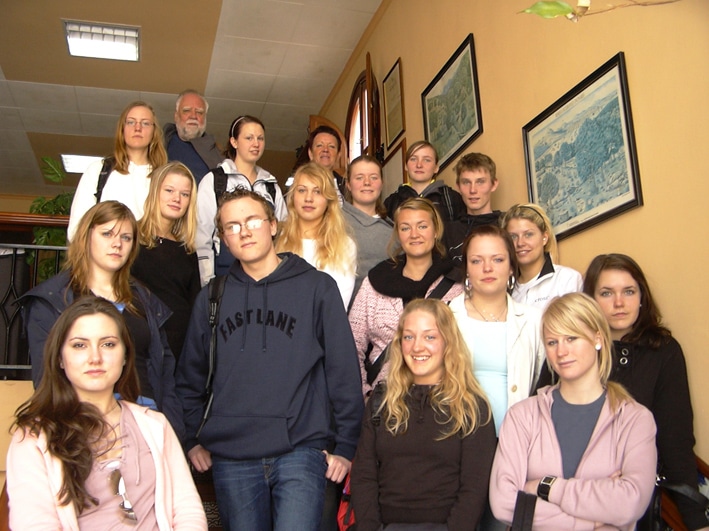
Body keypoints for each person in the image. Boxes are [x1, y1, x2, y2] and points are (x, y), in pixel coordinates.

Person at [176, 188, 364, 531]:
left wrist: (346, 445)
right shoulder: (212, 298)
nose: (243, 231)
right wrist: (193, 439)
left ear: (273, 225)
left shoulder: (316, 288)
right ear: (224, 240)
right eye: (231, 226)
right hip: (231, 456)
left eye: (251, 220)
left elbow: (343, 372)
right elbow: (190, 377)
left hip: (301, 451)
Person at [7, 296, 207, 530]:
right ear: (60, 358)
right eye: (79, 345)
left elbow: (187, 510)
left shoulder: (154, 425)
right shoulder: (34, 437)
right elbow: (35, 524)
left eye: (108, 344)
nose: (95, 357)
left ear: (125, 356)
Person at [489, 292, 657, 530]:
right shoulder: (522, 416)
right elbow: (504, 502)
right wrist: (593, 519)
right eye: (552, 342)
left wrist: (546, 486)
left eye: (571, 338)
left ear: (597, 339)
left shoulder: (635, 419)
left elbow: (631, 502)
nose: (561, 351)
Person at [21, 201, 183, 436]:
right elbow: (46, 379)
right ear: (86, 236)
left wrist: (174, 431)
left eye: (126, 238)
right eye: (107, 233)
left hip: (147, 420)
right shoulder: (54, 299)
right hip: (82, 422)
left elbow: (165, 374)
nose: (117, 243)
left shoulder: (145, 299)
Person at [584, 254, 709, 530]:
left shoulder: (663, 351)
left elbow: (675, 438)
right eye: (606, 293)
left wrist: (696, 520)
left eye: (629, 291)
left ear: (642, 297)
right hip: (576, 498)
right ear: (590, 300)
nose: (619, 303)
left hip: (639, 498)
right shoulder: (569, 347)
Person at [350, 298, 497, 530]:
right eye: (409, 337)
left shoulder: (472, 407)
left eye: (429, 336)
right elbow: (363, 477)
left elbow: (474, 487)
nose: (417, 347)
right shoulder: (381, 402)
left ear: (448, 342)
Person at [349, 197, 463, 398]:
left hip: (441, 399)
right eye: (405, 228)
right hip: (384, 399)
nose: (414, 235)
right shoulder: (375, 282)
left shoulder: (456, 284)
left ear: (436, 231)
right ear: (398, 234)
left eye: (422, 226)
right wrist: (365, 395)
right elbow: (352, 344)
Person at [449, 224, 546, 436]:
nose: (487, 268)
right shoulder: (446, 318)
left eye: (498, 259)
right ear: (466, 268)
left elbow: (542, 387)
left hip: (518, 442)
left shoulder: (534, 320)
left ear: (511, 266)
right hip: (458, 442)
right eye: (477, 260)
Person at [196, 115, 286, 285]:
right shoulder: (215, 181)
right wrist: (208, 284)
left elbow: (283, 235)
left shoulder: (271, 186)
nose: (256, 143)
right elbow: (202, 237)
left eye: (260, 138)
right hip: (225, 274)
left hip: (267, 278)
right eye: (249, 138)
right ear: (234, 142)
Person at [68, 101, 168, 241]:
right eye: (131, 122)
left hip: (149, 256)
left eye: (145, 123)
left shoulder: (164, 177)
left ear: (154, 131)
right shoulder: (99, 170)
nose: (138, 128)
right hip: (105, 256)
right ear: (122, 129)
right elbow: (78, 226)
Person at [132, 162, 201, 362]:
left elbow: (195, 303)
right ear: (155, 192)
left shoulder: (187, 250)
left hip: (179, 347)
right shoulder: (130, 236)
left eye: (185, 194)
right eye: (169, 190)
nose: (176, 198)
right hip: (139, 344)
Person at [276, 162, 357, 308]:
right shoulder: (277, 239)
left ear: (328, 199)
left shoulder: (345, 245)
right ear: (293, 196)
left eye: (317, 191)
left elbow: (336, 306)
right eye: (302, 190)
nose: (309, 198)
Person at [500, 203, 582, 309]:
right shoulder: (504, 289)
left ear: (544, 238)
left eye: (528, 234)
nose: (520, 243)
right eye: (513, 236)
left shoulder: (567, 279)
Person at [342, 155, 393, 301]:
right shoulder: (334, 222)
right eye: (359, 177)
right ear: (349, 185)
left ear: (381, 184)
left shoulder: (394, 227)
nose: (367, 183)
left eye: (373, 177)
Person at [383, 140, 465, 224]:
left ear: (436, 167)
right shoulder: (391, 202)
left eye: (426, 160)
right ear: (406, 166)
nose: (419, 165)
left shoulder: (452, 198)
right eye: (413, 159)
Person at [444, 152, 503, 263]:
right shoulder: (449, 232)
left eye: (480, 182)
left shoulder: (506, 225)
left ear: (494, 184)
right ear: (458, 186)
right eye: (466, 182)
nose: (473, 190)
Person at [163, 89, 223, 183]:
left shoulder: (218, 155)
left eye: (199, 112)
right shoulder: (160, 144)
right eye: (187, 110)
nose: (193, 116)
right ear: (176, 116)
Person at [305, 124, 347, 201]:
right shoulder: (299, 184)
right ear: (310, 154)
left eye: (331, 146)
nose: (325, 150)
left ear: (338, 155)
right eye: (319, 145)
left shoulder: (347, 186)